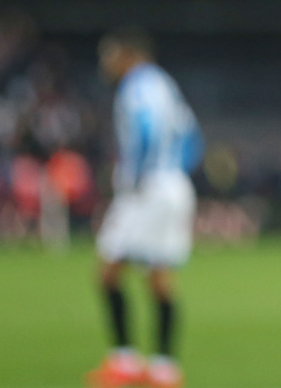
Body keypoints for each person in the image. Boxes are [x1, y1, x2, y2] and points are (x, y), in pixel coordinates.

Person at [87, 27, 203, 388]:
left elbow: (146, 132)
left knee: (107, 272)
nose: (105, 63)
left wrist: (134, 177)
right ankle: (165, 369)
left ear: (128, 54)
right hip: (173, 185)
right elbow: (192, 137)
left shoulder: (136, 86)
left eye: (110, 55)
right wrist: (174, 173)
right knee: (160, 278)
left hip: (147, 188)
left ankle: (124, 361)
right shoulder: (165, 84)